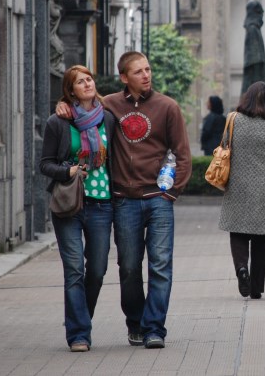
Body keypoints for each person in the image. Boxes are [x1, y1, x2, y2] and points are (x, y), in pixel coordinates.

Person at [56, 51, 192, 350]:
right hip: (123, 200)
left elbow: (183, 154)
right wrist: (63, 106)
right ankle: (136, 323)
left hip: (158, 199)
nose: (146, 75)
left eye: (148, 69)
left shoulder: (168, 107)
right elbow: (84, 109)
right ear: (124, 77)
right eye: (139, 71)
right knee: (129, 267)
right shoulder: (110, 105)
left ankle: (154, 327)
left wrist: (171, 192)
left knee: (160, 266)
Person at [40, 65, 115, 352]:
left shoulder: (106, 118)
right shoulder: (58, 122)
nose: (87, 84)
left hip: (101, 204)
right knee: (74, 270)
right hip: (69, 205)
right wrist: (68, 171)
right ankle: (79, 334)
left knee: (96, 269)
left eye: (89, 79)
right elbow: (45, 163)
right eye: (80, 82)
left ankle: (80, 316)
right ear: (71, 91)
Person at [218, 82, 265, 299]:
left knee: (237, 230)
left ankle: (241, 269)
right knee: (260, 235)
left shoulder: (234, 119)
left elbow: (225, 145)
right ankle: (255, 287)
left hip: (237, 183)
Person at [241, 0, 265, 94]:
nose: (262, 15)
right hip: (255, 76)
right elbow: (255, 60)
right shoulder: (252, 29)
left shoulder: (254, 29)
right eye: (260, 12)